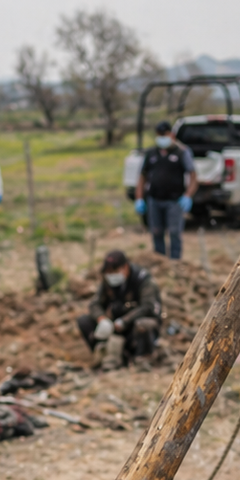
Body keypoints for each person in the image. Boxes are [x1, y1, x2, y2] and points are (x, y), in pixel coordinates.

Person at [75, 250, 162, 371]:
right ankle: (103, 353)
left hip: (135, 324)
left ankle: (142, 357)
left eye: (114, 271)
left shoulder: (143, 280)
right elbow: (94, 304)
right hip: (115, 325)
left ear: (125, 267)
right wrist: (102, 319)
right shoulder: (108, 281)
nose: (111, 275)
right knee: (84, 321)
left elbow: (147, 307)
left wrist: (125, 321)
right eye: (108, 272)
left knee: (143, 325)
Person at [135, 121, 197, 260]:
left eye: (165, 134)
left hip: (174, 200)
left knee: (174, 232)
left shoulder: (181, 152)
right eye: (160, 134)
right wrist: (139, 198)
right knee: (156, 231)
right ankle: (160, 260)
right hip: (154, 199)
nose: (162, 137)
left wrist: (188, 196)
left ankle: (175, 261)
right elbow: (142, 176)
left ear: (171, 134)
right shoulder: (151, 153)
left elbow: (193, 176)